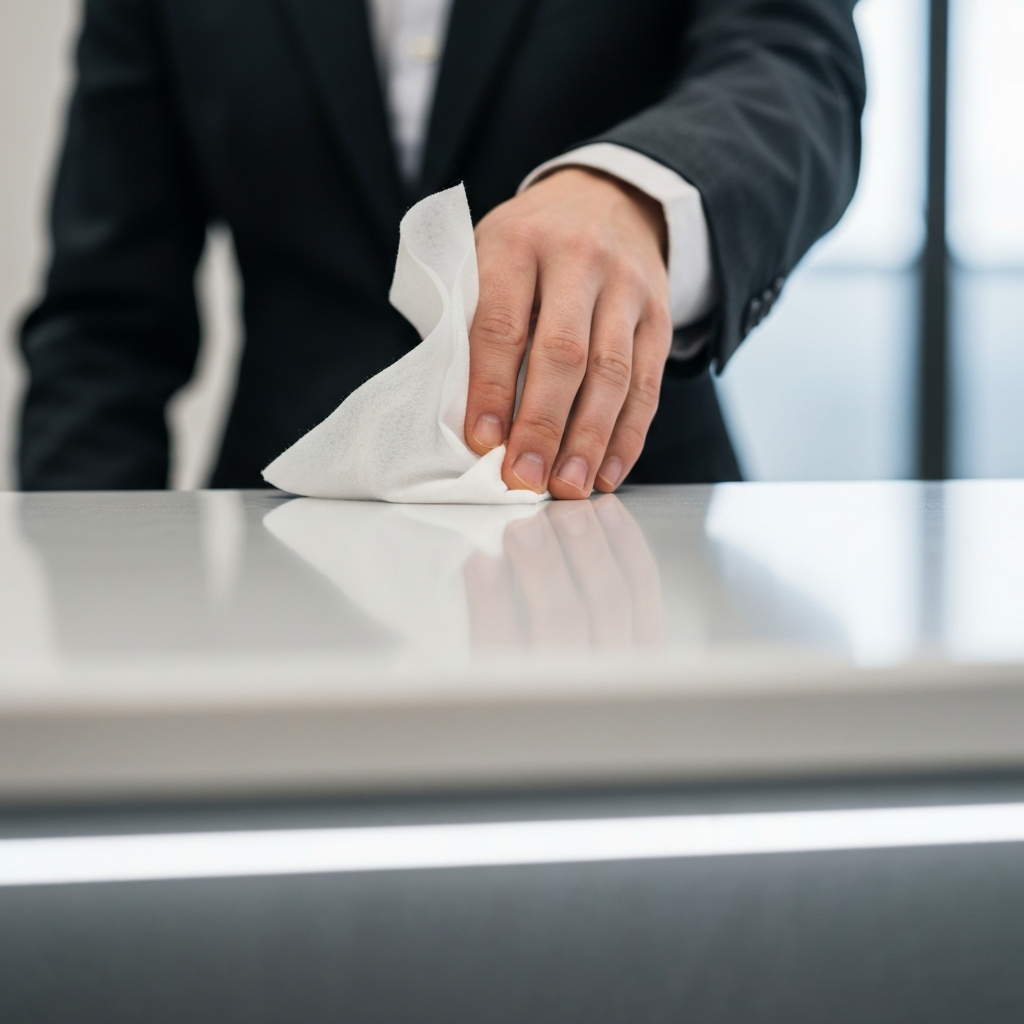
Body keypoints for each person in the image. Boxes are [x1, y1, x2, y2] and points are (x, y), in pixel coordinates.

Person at [18, 0, 864, 497]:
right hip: (285, 579)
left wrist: (639, 189)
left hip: (633, 547)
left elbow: (791, 61)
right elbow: (103, 332)